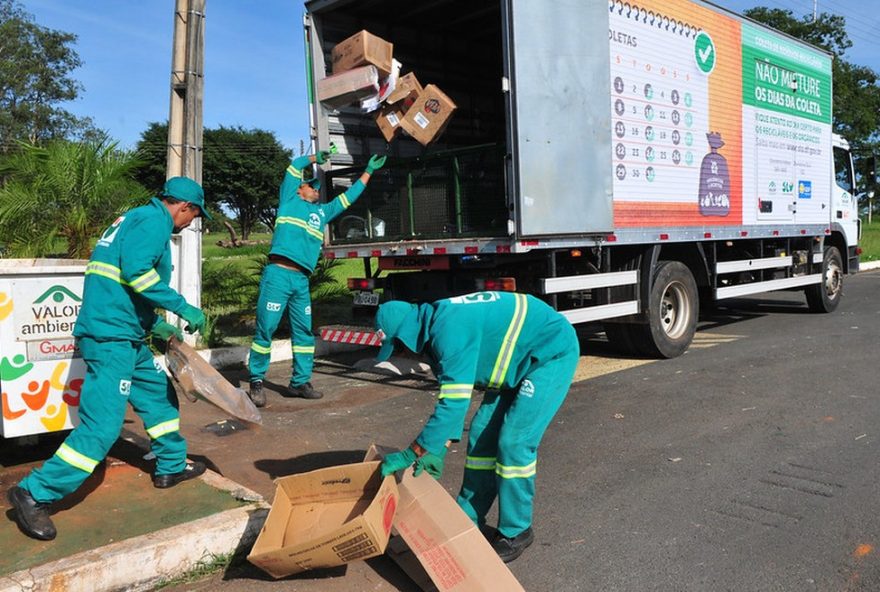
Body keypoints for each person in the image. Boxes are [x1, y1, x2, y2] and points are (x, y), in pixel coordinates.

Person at [6, 177, 211, 541]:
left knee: (158, 397)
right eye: (193, 217)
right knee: (101, 427)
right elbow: (137, 275)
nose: (190, 224)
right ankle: (34, 493)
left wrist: (154, 326)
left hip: (126, 334)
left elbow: (119, 282)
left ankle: (171, 465)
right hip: (112, 338)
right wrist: (181, 307)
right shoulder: (153, 222)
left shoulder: (135, 219)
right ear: (184, 207)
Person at [376, 291, 580, 563]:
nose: (403, 354)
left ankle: (517, 530)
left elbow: (454, 403)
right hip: (518, 361)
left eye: (399, 347)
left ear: (406, 335)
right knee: (482, 432)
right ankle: (468, 517)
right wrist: (439, 448)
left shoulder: (447, 332)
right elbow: (455, 397)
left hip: (550, 352)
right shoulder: (437, 323)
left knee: (514, 441)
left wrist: (414, 452)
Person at [247, 150, 387, 407]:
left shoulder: (322, 213)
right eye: (310, 186)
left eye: (316, 187)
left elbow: (349, 197)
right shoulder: (288, 199)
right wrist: (314, 158)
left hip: (300, 280)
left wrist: (368, 171)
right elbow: (294, 165)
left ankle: (299, 382)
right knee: (265, 328)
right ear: (299, 189)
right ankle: (256, 381)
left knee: (303, 333)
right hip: (278, 275)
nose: (314, 189)